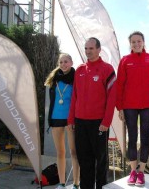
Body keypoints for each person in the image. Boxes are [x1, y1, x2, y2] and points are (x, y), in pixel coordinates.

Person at [67, 37, 116, 189]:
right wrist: (71, 120)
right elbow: (74, 96)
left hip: (98, 123)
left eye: (91, 48)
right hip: (80, 122)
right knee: (84, 159)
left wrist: (106, 122)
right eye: (86, 48)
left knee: (101, 159)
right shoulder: (80, 70)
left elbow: (112, 98)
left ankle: (101, 186)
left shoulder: (107, 69)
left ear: (99, 49)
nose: (88, 51)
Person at [116, 31, 149, 186]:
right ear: (130, 44)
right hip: (129, 105)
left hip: (148, 104)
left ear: (143, 42)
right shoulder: (125, 60)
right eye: (133, 42)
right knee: (132, 138)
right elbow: (119, 84)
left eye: (139, 41)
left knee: (145, 137)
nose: (136, 44)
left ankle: (141, 172)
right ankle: (133, 171)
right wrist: (120, 107)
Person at [44, 53, 80, 189]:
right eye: (61, 62)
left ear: (71, 62)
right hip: (55, 119)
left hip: (71, 119)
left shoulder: (76, 78)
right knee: (60, 152)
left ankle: (76, 183)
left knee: (74, 152)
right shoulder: (54, 78)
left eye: (66, 61)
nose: (63, 64)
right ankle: (62, 183)